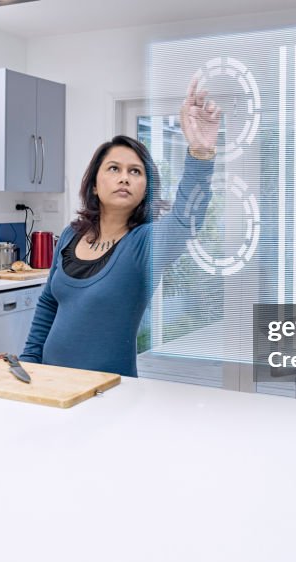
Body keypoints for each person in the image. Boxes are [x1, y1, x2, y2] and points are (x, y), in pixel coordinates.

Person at [15, 77, 222, 376]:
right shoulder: (72, 235)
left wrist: (201, 154)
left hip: (111, 391)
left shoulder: (144, 244)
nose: (124, 177)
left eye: (135, 171)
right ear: (95, 184)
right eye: (114, 168)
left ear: (146, 188)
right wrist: (29, 362)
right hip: (50, 381)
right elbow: (49, 303)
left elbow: (184, 221)